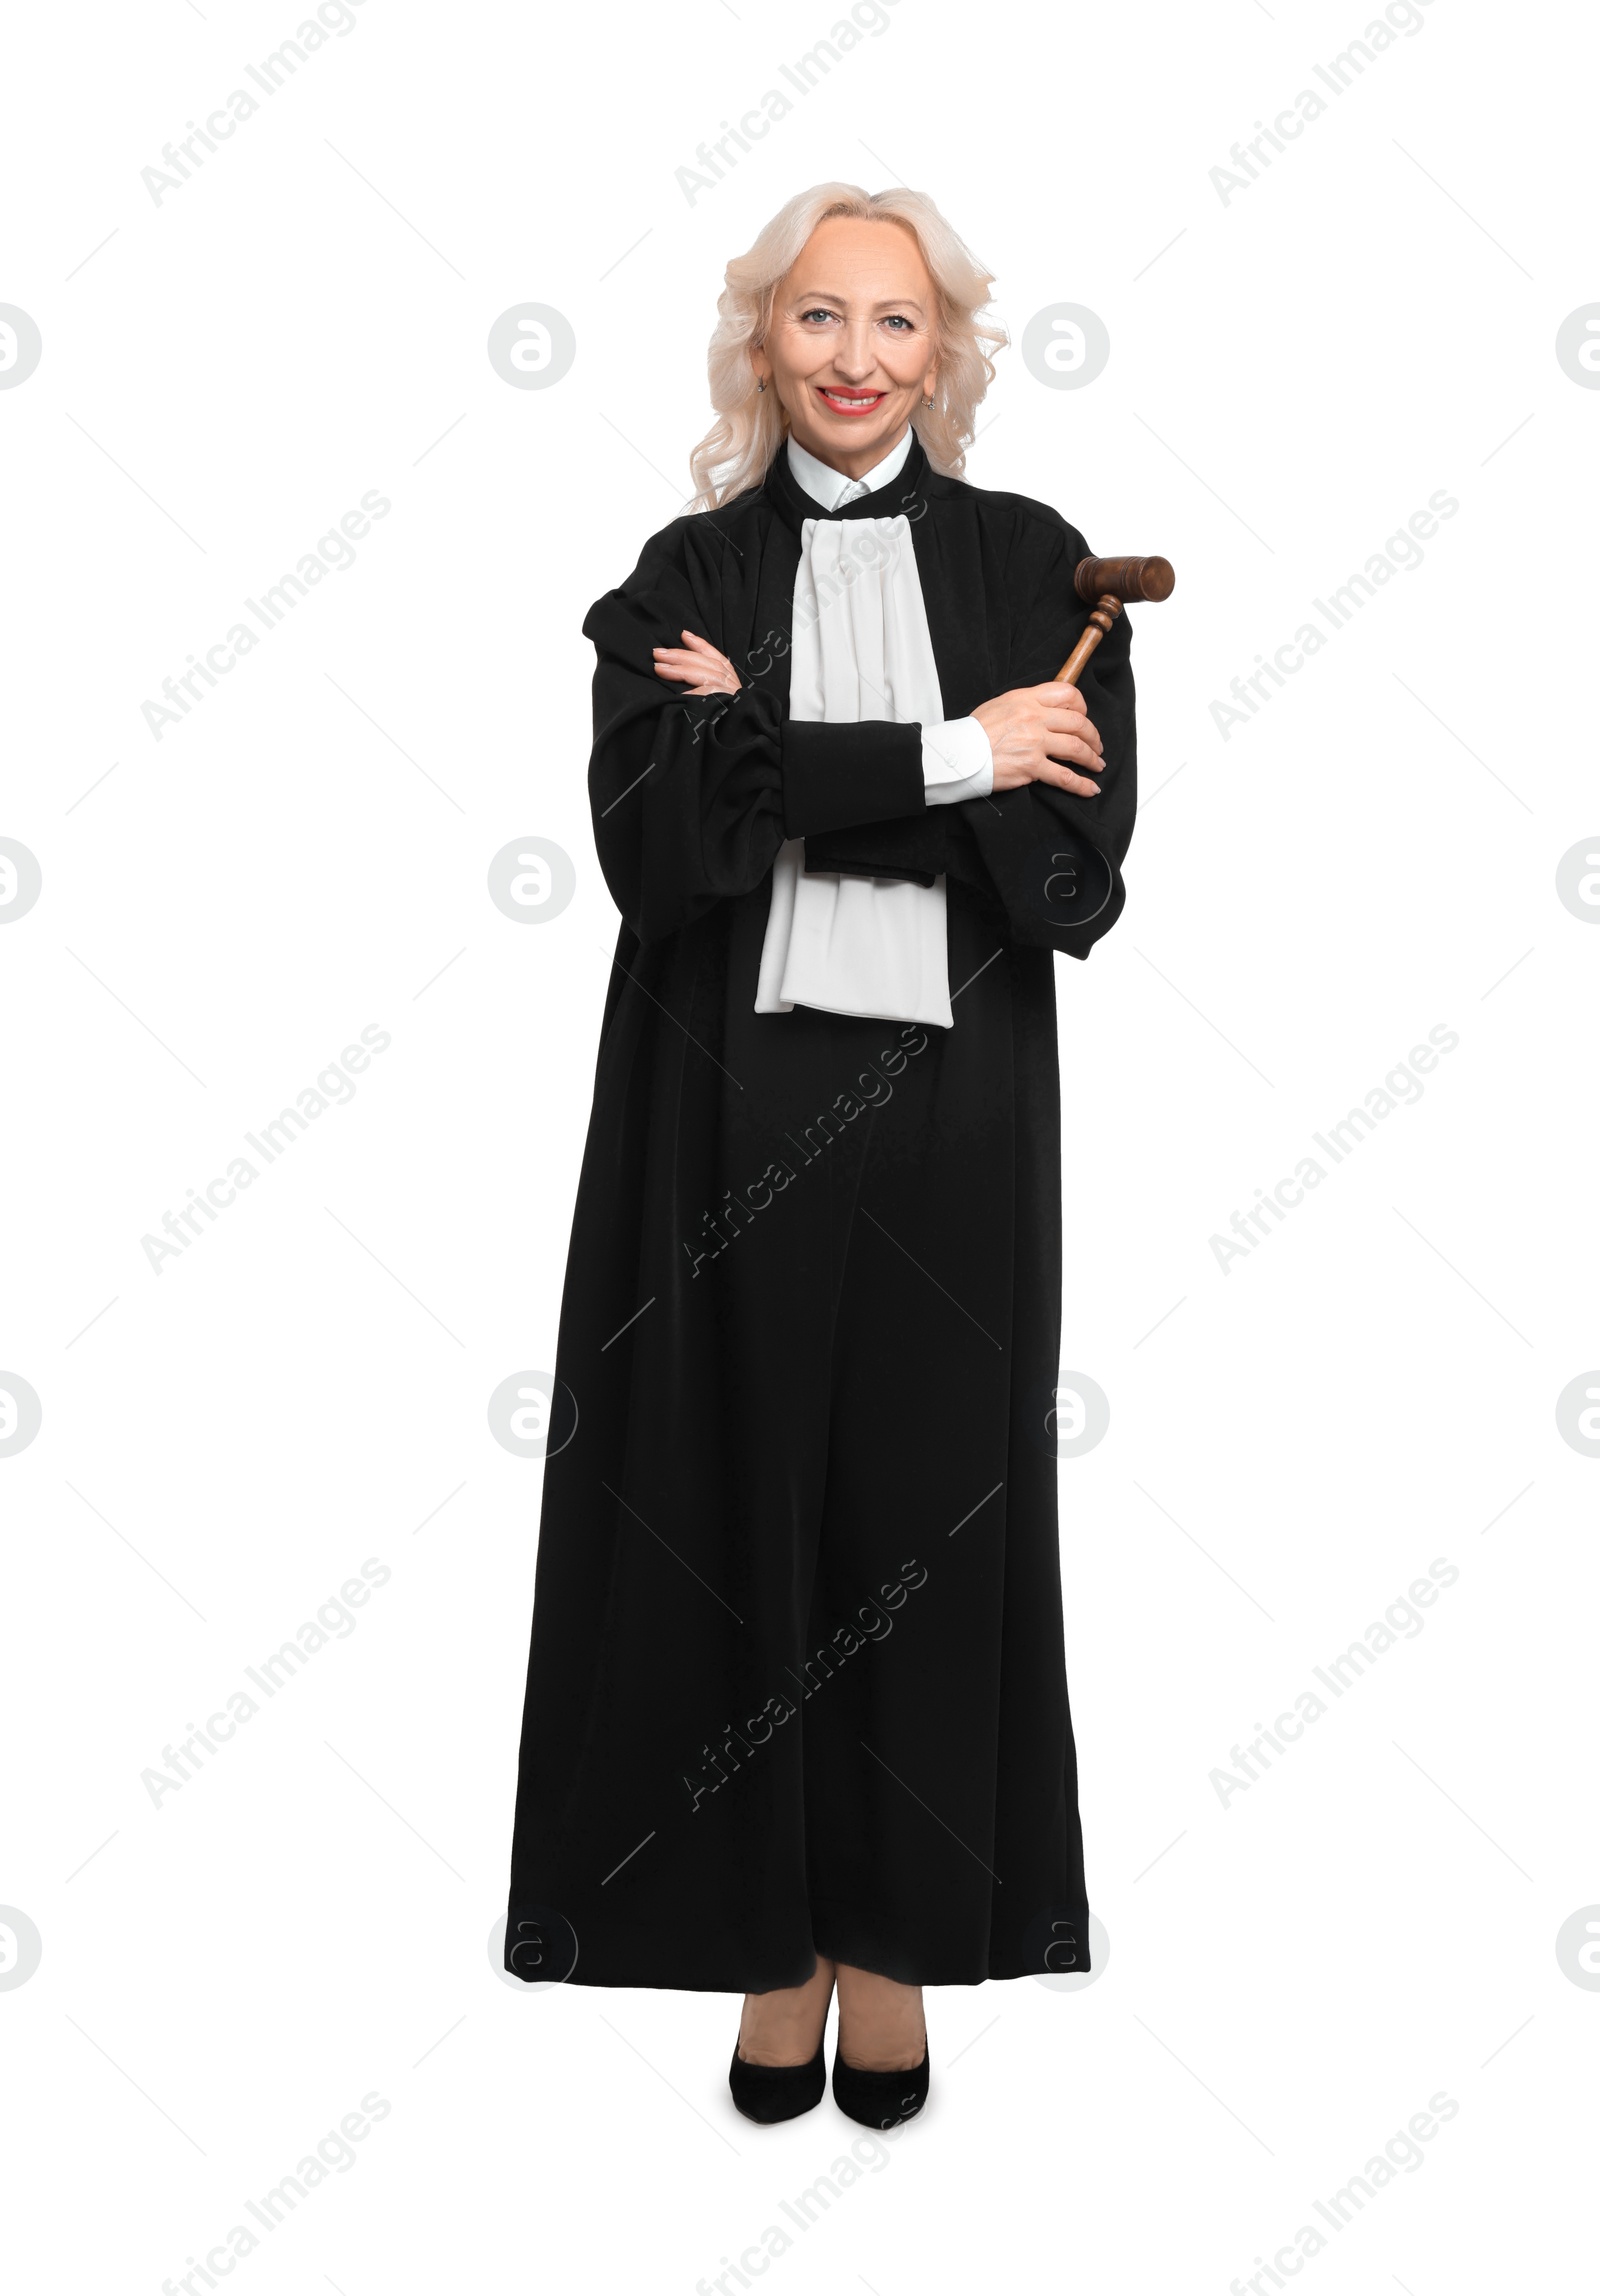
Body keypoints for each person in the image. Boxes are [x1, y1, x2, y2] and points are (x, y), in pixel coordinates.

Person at [504, 181, 1138, 2129]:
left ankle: (889, 1945)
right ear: (756, 342)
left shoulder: (1042, 564)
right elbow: (664, 852)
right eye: (813, 320)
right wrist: (950, 753)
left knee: (921, 1530)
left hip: (952, 1128)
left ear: (943, 348)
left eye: (892, 321)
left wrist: (778, 748)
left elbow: (1072, 882)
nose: (853, 359)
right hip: (725, 1114)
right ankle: (764, 1946)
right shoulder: (677, 571)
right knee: (722, 1519)